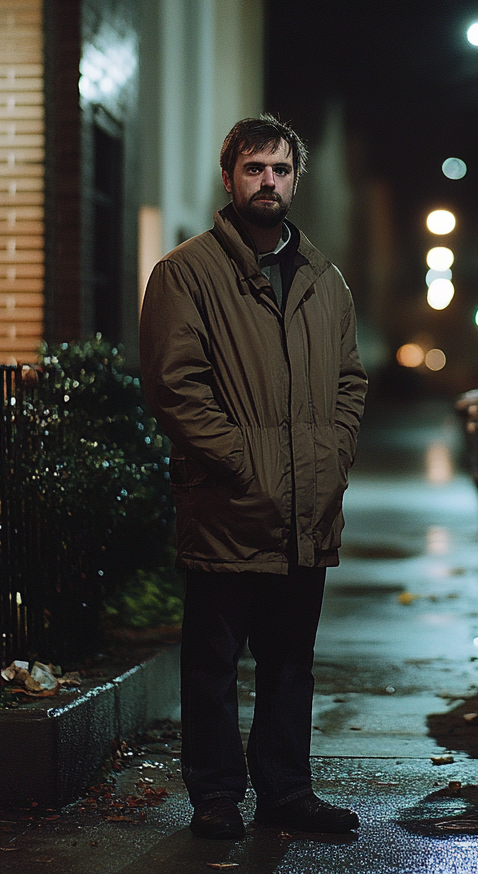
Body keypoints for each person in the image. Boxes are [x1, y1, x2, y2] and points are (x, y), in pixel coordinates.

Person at [139, 115, 367, 840]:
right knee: (213, 664)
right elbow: (174, 388)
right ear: (229, 177)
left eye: (280, 169)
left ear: (296, 180)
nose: (268, 181)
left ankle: (286, 793)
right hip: (228, 505)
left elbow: (349, 382)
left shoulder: (325, 279)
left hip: (305, 509)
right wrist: (243, 462)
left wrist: (331, 458)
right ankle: (215, 797)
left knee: (290, 662)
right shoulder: (186, 273)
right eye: (254, 168)